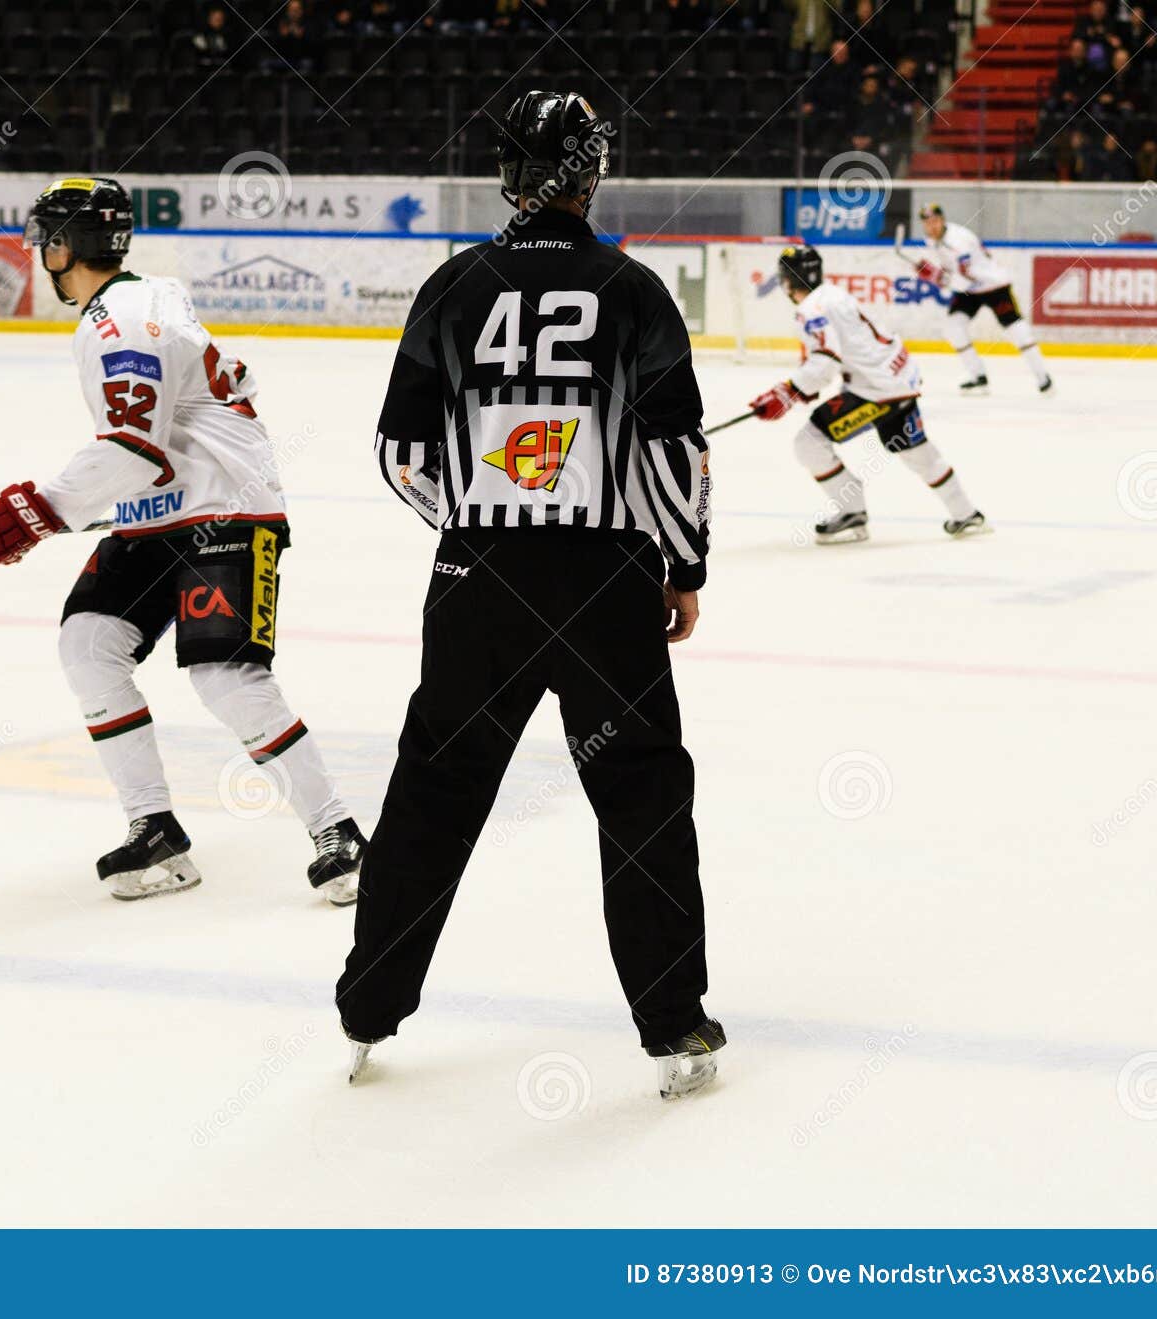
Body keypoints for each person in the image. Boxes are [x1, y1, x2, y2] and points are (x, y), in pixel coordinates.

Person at [336, 91, 725, 1102]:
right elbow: (673, 453)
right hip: (605, 583)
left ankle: (367, 1007)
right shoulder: (632, 288)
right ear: (593, 172)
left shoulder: (453, 285)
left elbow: (398, 453)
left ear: (505, 172)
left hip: (477, 582)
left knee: (434, 788)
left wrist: (475, 522)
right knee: (639, 794)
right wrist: (679, 567)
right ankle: (673, 1022)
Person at [0, 178, 366, 906]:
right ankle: (155, 828)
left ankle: (341, 834)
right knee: (88, 642)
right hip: (160, 510)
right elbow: (143, 453)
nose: (40, 252)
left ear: (65, 245)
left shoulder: (120, 321)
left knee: (224, 676)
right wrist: (50, 511)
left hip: (226, 510)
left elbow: (131, 446)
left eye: (46, 237)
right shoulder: (133, 307)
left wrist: (38, 508)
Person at [748, 244, 987, 544]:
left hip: (876, 390)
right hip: (901, 378)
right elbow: (843, 350)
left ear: (786, 281)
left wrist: (788, 392)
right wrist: (804, 386)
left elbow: (825, 358)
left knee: (808, 443)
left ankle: (852, 513)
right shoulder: (834, 293)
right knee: (917, 452)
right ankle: (966, 514)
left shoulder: (810, 309)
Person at [915, 203, 1054, 395]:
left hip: (993, 285)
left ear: (943, 220)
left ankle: (1043, 377)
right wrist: (935, 273)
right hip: (970, 291)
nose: (932, 226)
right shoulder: (931, 240)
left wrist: (937, 277)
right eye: (927, 222)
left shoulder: (959, 240)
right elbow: (954, 272)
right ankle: (978, 377)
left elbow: (966, 277)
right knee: (954, 326)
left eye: (935, 221)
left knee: (1016, 330)